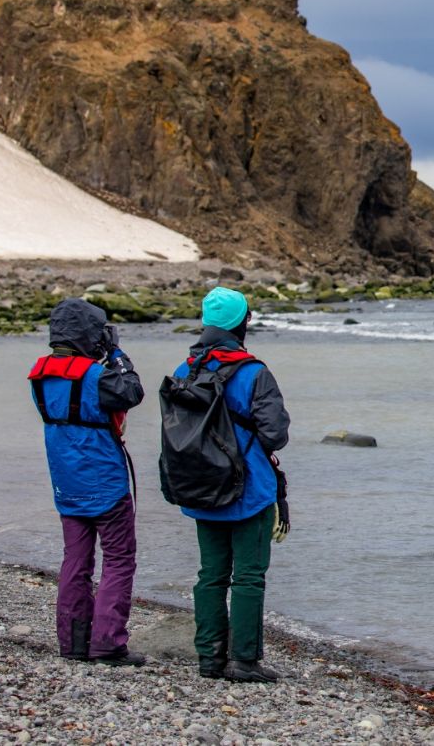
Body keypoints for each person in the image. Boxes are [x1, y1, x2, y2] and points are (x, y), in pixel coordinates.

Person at [172, 286, 290, 682]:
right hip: (249, 488)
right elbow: (275, 434)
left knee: (211, 574)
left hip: (201, 484)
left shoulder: (184, 370)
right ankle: (243, 660)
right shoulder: (255, 372)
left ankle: (209, 658)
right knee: (249, 576)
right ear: (245, 321)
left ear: (206, 322)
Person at [28, 297, 146, 666]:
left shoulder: (40, 376)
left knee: (75, 561)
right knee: (118, 559)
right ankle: (108, 644)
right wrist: (117, 352)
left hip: (66, 481)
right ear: (89, 333)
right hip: (105, 481)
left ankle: (74, 643)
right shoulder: (99, 375)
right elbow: (133, 391)